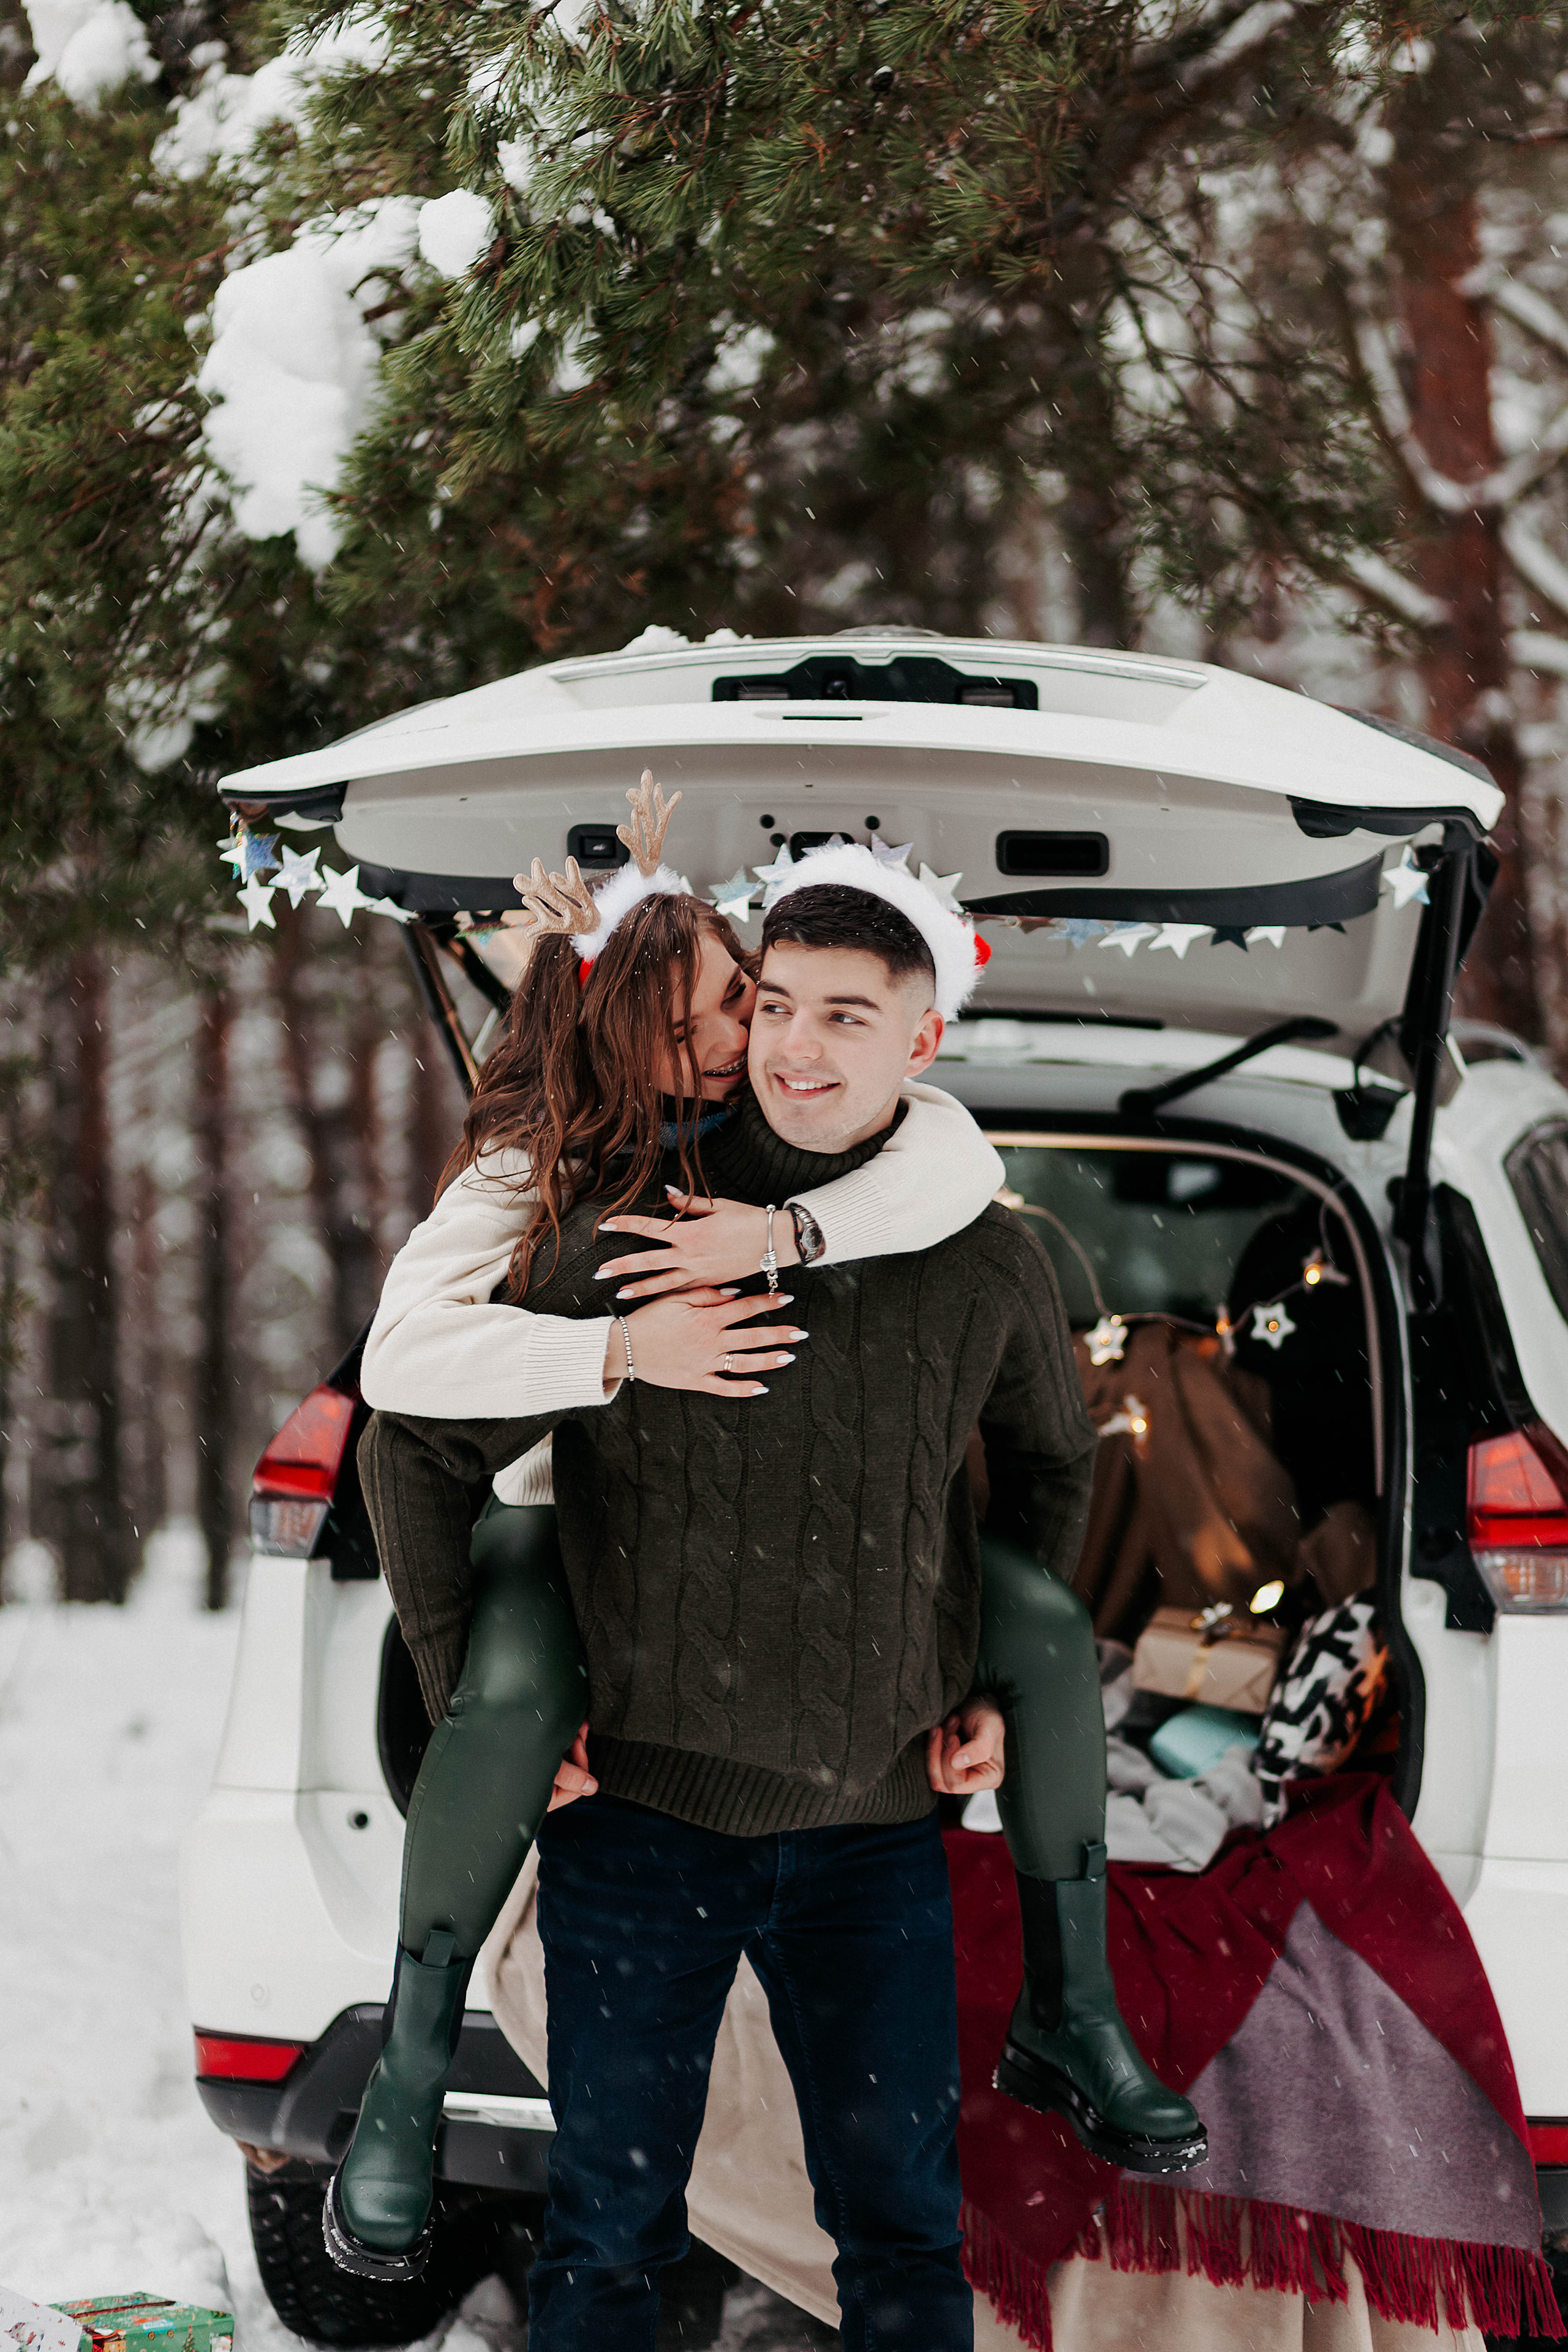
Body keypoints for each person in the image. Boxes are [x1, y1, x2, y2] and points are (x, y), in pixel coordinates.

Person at [332, 825, 1205, 2337]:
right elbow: (411, 1444)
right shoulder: (621, 1217)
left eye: (835, 1015)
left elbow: (1054, 1470)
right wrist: (470, 1685)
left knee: (904, 2243)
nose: (784, 1045)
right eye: (769, 1005)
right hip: (643, 1827)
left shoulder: (978, 1247)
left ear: (922, 1042)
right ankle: (409, 2067)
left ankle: (1075, 2020)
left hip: (870, 1827)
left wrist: (999, 1679)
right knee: (605, 2241)